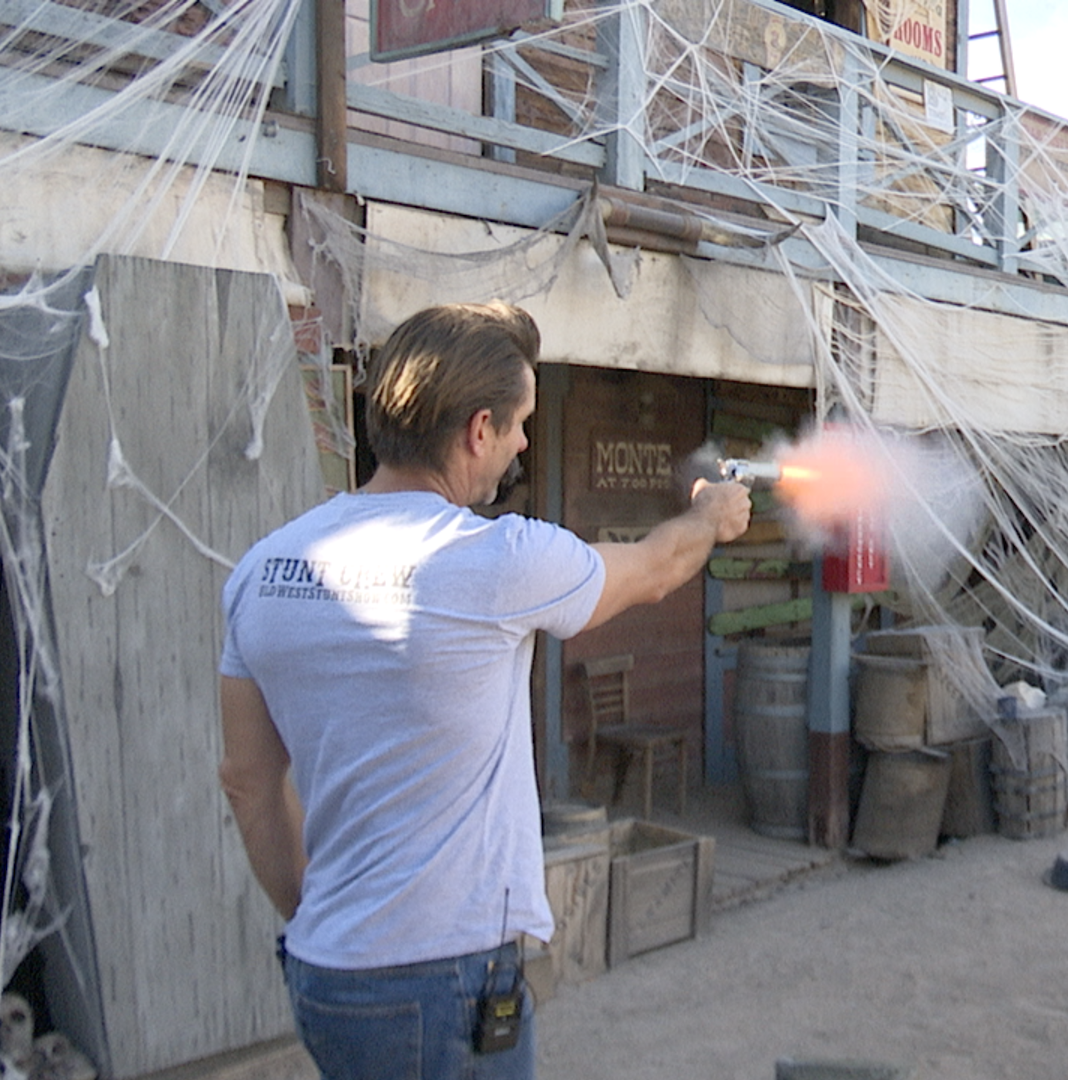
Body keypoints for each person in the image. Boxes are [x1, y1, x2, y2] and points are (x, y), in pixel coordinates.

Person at [216, 301, 749, 1079]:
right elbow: (657, 568)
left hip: (323, 972)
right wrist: (708, 517)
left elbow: (246, 782)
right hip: (443, 979)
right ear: (477, 431)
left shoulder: (261, 568)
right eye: (520, 423)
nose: (525, 442)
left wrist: (319, 919)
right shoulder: (497, 561)